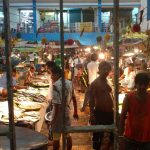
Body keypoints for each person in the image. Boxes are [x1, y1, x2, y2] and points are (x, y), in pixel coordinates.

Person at [47, 66, 78, 150]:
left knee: (56, 137)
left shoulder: (56, 86)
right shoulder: (69, 83)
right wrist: (75, 111)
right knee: (68, 135)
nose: (51, 77)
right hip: (67, 112)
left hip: (58, 114)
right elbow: (74, 98)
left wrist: (53, 120)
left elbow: (57, 106)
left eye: (52, 75)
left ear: (57, 74)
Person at [119, 72, 150, 150]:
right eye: (140, 84)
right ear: (136, 84)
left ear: (148, 85)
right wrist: (120, 136)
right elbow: (122, 117)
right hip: (130, 136)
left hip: (147, 137)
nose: (142, 87)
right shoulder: (128, 98)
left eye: (145, 85)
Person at [89, 61, 114, 150]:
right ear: (99, 70)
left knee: (112, 133)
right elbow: (91, 99)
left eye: (108, 69)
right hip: (99, 113)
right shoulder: (95, 83)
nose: (106, 71)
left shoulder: (108, 81)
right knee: (98, 136)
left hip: (110, 112)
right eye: (104, 69)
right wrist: (91, 114)